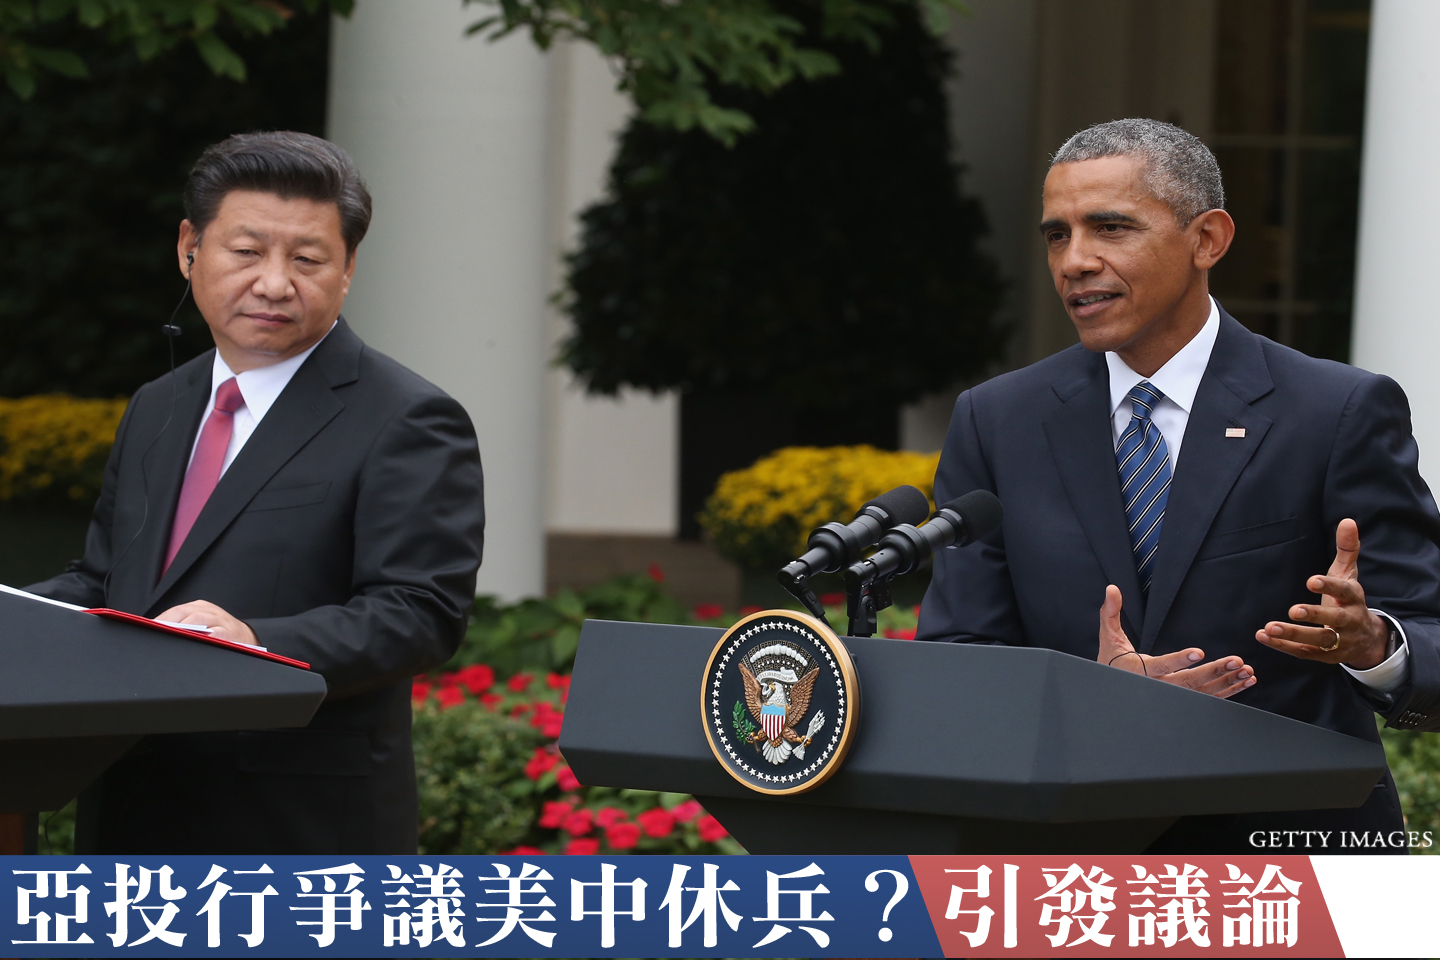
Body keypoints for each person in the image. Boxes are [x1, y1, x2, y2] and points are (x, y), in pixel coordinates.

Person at [916, 118, 1440, 853]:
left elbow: (1429, 635)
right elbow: (960, 657)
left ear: (1208, 240)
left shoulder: (1336, 411)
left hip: (1289, 859)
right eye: (1058, 235)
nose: (1075, 261)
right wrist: (1091, 701)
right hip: (1072, 860)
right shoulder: (997, 420)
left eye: (1110, 228)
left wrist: (1371, 642)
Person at [27, 131, 485, 854]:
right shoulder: (158, 404)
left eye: (307, 260)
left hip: (295, 825)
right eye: (246, 252)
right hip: (130, 806)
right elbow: (105, 580)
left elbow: (419, 611)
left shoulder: (407, 417)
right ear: (190, 248)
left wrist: (254, 643)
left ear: (348, 268)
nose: (274, 284)